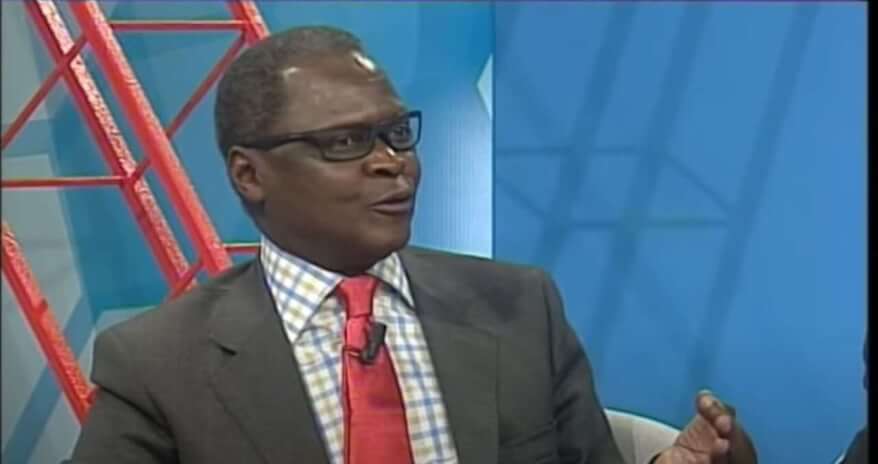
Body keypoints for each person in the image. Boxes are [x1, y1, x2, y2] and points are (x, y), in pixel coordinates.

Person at [67, 26, 757, 464]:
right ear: (250, 174)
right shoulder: (158, 365)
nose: (391, 163)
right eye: (346, 142)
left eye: (397, 134)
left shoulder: (521, 308)